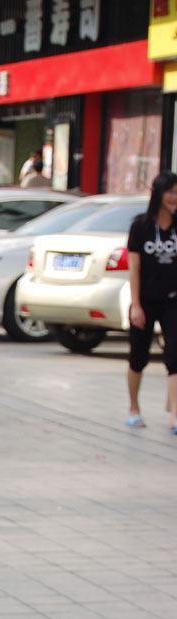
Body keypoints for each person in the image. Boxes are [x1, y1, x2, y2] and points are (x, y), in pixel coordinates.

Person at [126, 170, 177, 433]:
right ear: (158, 193)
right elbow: (133, 269)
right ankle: (134, 408)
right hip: (145, 300)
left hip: (173, 302)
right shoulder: (140, 226)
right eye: (170, 192)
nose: (174, 197)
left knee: (175, 356)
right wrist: (136, 304)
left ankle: (175, 417)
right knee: (138, 358)